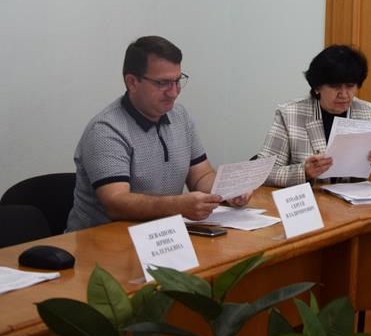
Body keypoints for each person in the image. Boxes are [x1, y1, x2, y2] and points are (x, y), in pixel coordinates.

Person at [67, 36, 251, 231]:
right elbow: (116, 203)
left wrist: (228, 190)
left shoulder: (180, 116)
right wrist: (178, 206)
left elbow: (201, 176)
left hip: (162, 236)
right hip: (103, 241)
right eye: (162, 83)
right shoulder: (106, 130)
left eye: (177, 81)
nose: (174, 92)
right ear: (132, 82)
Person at [258, 45, 371, 186]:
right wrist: (303, 172)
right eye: (335, 86)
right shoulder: (290, 114)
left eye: (350, 86)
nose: (344, 94)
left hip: (350, 203)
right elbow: (262, 173)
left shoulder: (369, 113)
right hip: (308, 201)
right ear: (317, 87)